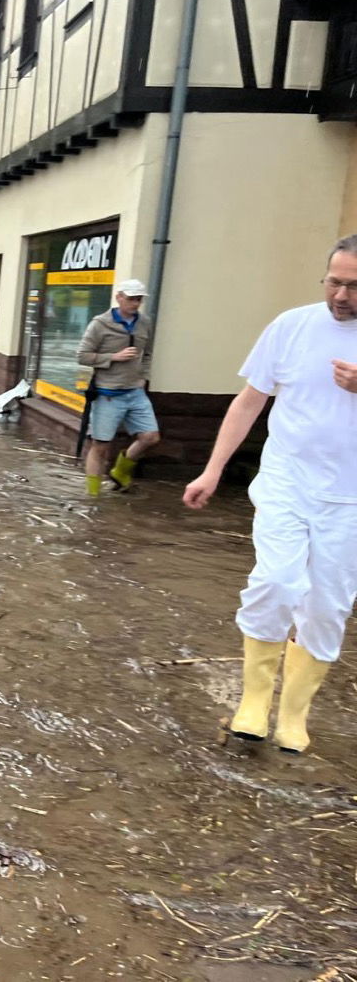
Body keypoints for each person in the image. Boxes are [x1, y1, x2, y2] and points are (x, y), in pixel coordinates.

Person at [183, 235, 357, 754]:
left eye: (353, 286)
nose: (341, 295)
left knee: (327, 606)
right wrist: (211, 470)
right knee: (277, 582)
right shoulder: (292, 326)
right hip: (287, 481)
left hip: (349, 499)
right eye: (334, 282)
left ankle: (294, 713)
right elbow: (249, 400)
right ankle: (254, 701)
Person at [76, 279, 160, 497]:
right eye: (131, 299)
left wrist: (143, 376)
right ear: (119, 297)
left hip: (135, 391)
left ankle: (120, 472)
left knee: (150, 437)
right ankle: (92, 495)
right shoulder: (100, 324)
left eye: (139, 299)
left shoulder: (144, 322)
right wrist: (113, 357)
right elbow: (82, 356)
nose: (135, 303)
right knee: (100, 446)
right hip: (107, 394)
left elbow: (148, 352)